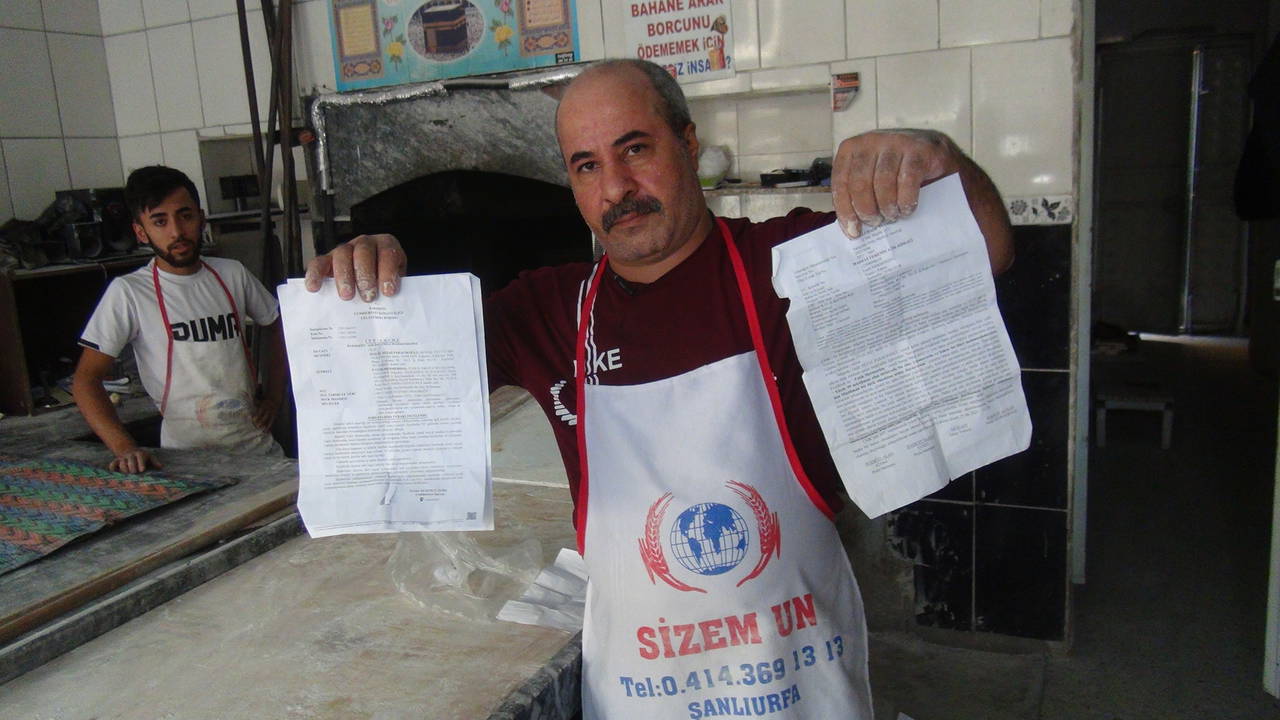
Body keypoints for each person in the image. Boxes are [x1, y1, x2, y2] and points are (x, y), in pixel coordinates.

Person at [306, 59, 1013, 718]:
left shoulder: (790, 264)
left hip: (797, 687)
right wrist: (369, 294)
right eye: (587, 166)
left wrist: (939, 161)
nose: (615, 189)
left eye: (635, 149)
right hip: (641, 694)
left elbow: (989, 250)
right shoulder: (548, 310)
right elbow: (394, 382)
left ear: (688, 143)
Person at [73, 166, 286, 473]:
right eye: (160, 221)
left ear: (201, 218)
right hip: (187, 460)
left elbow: (277, 326)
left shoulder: (232, 273)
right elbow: (85, 381)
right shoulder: (130, 292)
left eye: (185, 216)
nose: (176, 231)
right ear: (141, 232)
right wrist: (124, 447)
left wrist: (274, 397)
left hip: (258, 451)